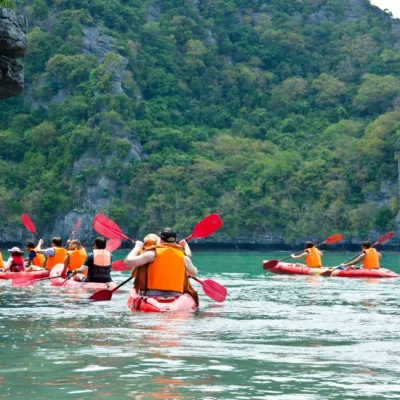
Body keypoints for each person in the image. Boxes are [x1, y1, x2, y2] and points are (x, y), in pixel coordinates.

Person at [124, 228, 198, 299]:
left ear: (160, 239)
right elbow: (193, 273)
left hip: (153, 295)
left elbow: (128, 262)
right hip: (176, 295)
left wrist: (137, 247)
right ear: (175, 240)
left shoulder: (152, 254)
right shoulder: (183, 257)